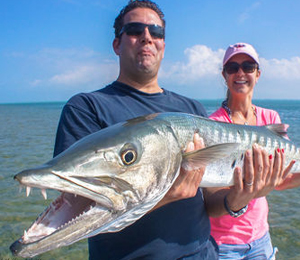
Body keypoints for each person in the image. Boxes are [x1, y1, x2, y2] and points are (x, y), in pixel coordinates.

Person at [53, 1, 218, 259]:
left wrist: (241, 197)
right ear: (117, 45)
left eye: (156, 32)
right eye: (134, 30)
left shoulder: (191, 108)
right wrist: (165, 194)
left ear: (163, 46)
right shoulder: (86, 107)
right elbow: (81, 208)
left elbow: (211, 202)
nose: (147, 37)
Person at [206, 42, 300, 259]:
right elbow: (210, 198)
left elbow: (279, 182)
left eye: (248, 66)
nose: (240, 73)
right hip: (223, 244)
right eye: (232, 68)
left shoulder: (271, 118)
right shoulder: (213, 125)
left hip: (260, 238)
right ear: (224, 75)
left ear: (258, 74)